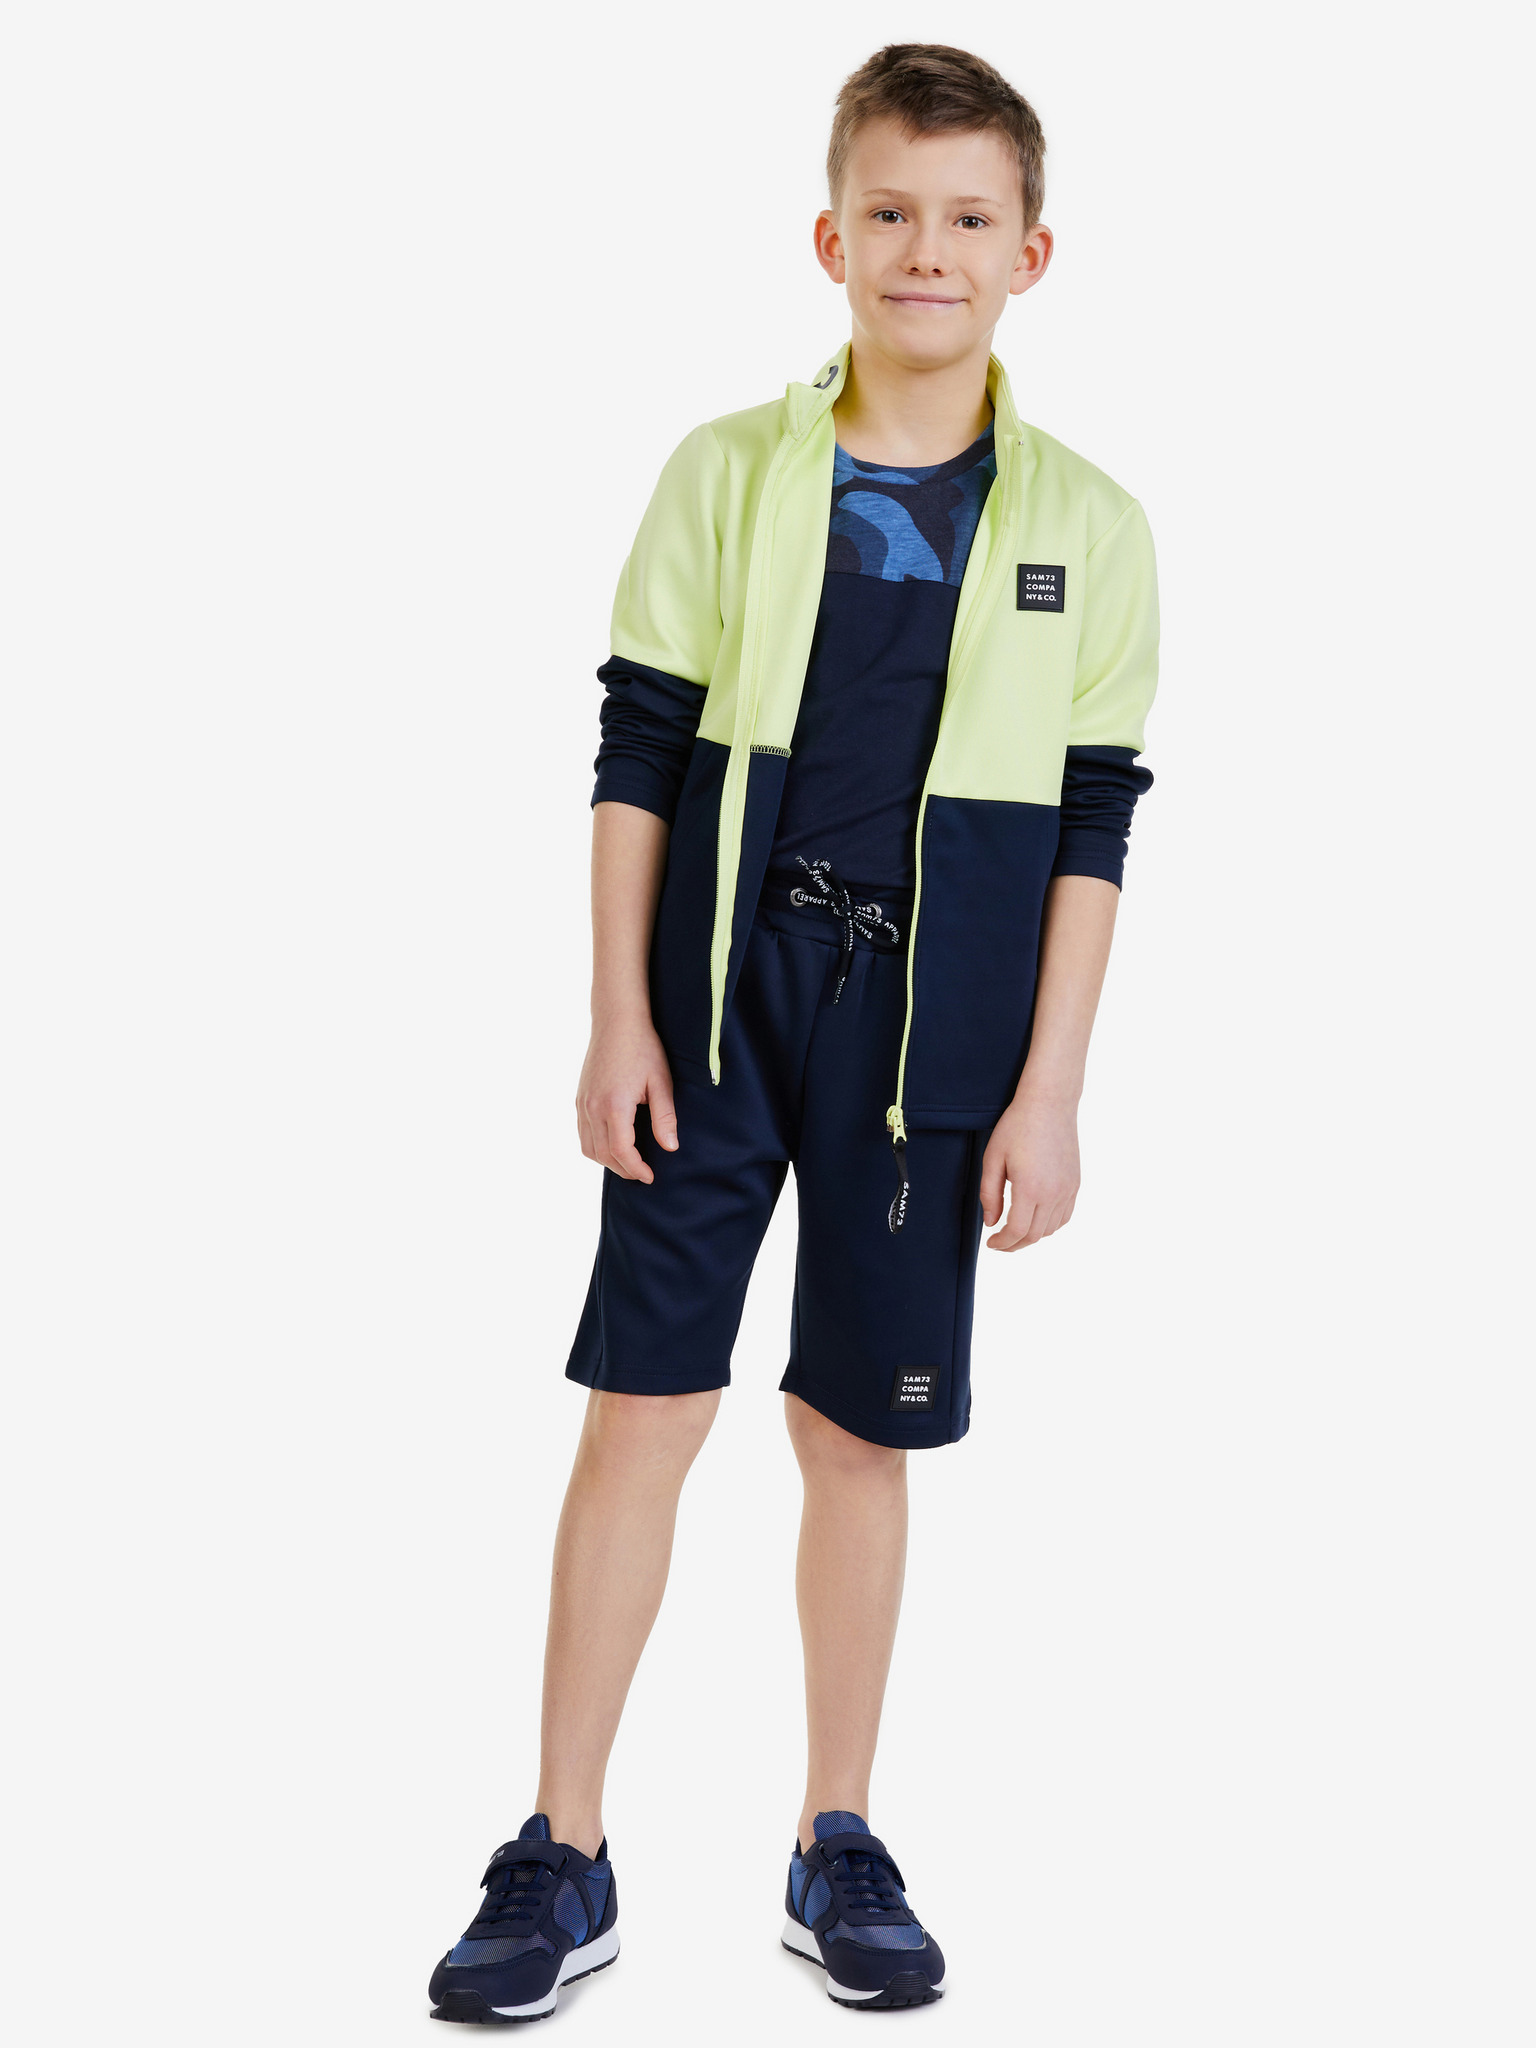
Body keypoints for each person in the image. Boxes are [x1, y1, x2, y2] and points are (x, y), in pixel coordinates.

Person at [427, 41, 1159, 2025]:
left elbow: (1092, 819)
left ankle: (839, 1835)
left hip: (930, 1045)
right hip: (717, 1004)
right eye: (891, 211)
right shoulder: (731, 472)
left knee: (857, 1430)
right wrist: (618, 1011)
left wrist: (1052, 1089)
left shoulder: (1089, 525)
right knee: (644, 1404)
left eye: (970, 217)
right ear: (832, 239)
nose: (929, 249)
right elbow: (640, 752)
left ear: (1031, 253)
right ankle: (562, 1845)